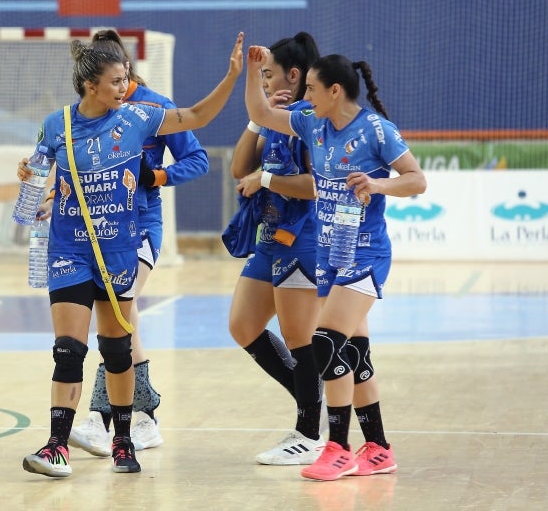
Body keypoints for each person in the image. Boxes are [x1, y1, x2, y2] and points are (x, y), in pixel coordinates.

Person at [21, 32, 244, 478]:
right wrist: (32, 183)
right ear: (90, 85)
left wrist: (232, 77)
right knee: (67, 350)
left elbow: (197, 115)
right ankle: (56, 447)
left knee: (117, 349)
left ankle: (122, 439)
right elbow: (35, 184)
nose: (125, 87)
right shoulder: (55, 125)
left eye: (126, 78)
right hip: (69, 248)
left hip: (119, 248)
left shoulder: (140, 116)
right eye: (117, 80)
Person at [244, 46, 426, 481]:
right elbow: (260, 112)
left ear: (335, 90)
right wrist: (252, 72)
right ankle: (379, 449)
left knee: (324, 342)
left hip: (365, 254)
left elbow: (417, 179)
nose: (304, 95)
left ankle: (338, 448)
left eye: (311, 87)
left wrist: (377, 184)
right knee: (355, 355)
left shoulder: (376, 131)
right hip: (330, 252)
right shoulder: (313, 123)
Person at [67, 29, 209, 456]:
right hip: (97, 230)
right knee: (120, 321)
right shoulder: (88, 112)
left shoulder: (154, 107)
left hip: (140, 228)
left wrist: (157, 175)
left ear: (121, 69)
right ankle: (139, 419)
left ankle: (104, 419)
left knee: (119, 317)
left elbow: (197, 159)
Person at [228, 32, 325, 465]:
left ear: (294, 74)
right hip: (269, 241)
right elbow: (238, 167)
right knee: (243, 325)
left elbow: (317, 186)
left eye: (268, 75)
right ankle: (313, 401)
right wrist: (258, 121)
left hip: (301, 239)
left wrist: (266, 181)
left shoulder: (311, 119)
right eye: (261, 76)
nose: (264, 84)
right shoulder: (278, 119)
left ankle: (310, 432)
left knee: (299, 338)